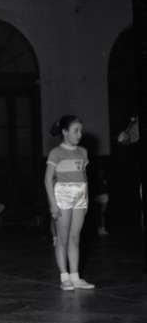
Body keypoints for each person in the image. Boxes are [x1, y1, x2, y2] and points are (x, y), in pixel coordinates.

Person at [45, 115, 94, 290]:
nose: (79, 134)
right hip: (62, 195)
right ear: (65, 132)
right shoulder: (56, 153)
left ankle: (75, 277)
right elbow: (48, 179)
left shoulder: (83, 152)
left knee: (75, 237)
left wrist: (86, 199)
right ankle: (64, 277)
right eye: (76, 131)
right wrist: (53, 204)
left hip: (79, 196)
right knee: (62, 238)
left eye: (81, 131)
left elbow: (84, 177)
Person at [93, 168, 109, 236]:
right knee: (98, 214)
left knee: (102, 214)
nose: (101, 173)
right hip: (98, 196)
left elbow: (107, 188)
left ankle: (102, 229)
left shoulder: (105, 179)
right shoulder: (95, 180)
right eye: (100, 172)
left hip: (104, 196)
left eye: (102, 172)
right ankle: (99, 229)